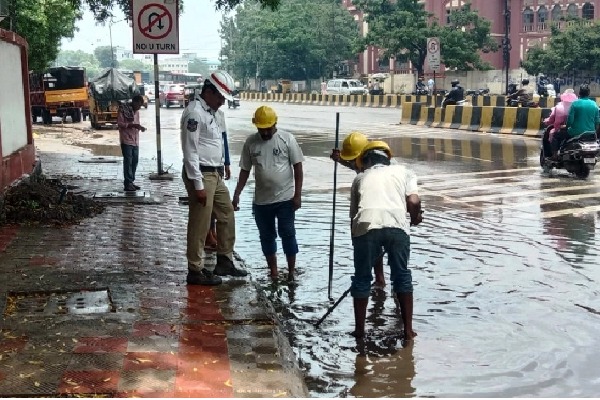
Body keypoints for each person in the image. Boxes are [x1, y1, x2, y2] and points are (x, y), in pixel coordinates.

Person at [349, 140, 423, 340]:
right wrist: (415, 217)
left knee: (362, 279)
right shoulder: (405, 172)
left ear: (365, 161)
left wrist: (359, 248)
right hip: (397, 225)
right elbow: (414, 201)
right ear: (388, 159)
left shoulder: (360, 178)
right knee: (401, 276)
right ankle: (408, 331)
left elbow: (354, 217)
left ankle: (359, 331)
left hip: (366, 224)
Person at [181, 70, 248, 286]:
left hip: (215, 173)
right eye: (220, 97)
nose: (222, 102)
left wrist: (224, 165)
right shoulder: (194, 113)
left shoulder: (212, 112)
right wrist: (198, 185)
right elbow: (190, 151)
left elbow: (218, 142)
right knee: (200, 222)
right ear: (208, 92)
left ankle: (224, 259)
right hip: (201, 173)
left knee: (226, 213)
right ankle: (195, 269)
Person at [232, 106, 304, 281]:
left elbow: (298, 167)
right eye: (261, 129)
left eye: (268, 129)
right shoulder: (250, 143)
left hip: (285, 199)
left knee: (288, 234)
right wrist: (237, 194)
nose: (264, 132)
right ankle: (273, 271)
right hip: (261, 202)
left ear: (275, 124)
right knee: (266, 236)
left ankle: (291, 271)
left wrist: (297, 195)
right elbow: (244, 170)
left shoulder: (287, 139)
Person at [330, 132, 386, 288]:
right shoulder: (362, 160)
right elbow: (353, 164)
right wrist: (340, 159)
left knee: (379, 242)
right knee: (374, 245)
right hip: (368, 203)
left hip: (383, 205)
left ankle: (391, 286)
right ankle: (379, 279)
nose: (355, 163)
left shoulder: (383, 164)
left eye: (355, 159)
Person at [205, 109, 232, 251]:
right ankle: (208, 234)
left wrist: (227, 162)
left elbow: (224, 139)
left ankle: (213, 231)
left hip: (219, 164)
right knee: (208, 205)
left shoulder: (220, 115)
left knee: (217, 203)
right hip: (207, 166)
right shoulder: (199, 113)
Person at [551, 84, 600, 159]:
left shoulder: (575, 104)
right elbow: (597, 122)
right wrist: (594, 131)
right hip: (590, 133)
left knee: (556, 136)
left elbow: (570, 120)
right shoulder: (594, 105)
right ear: (588, 93)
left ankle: (554, 156)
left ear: (579, 93)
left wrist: (566, 127)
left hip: (575, 132)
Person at [117, 95, 146, 192]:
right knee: (128, 161)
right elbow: (120, 124)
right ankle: (127, 183)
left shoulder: (137, 112)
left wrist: (140, 127)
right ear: (134, 102)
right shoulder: (123, 109)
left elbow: (137, 123)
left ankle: (131, 181)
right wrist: (132, 125)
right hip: (126, 139)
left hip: (135, 140)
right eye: (139, 105)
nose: (139, 107)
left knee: (135, 161)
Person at [543, 89, 577, 159]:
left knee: (553, 135)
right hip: (575, 130)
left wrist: (545, 121)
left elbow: (551, 119)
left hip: (561, 129)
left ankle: (554, 155)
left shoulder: (558, 107)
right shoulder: (576, 107)